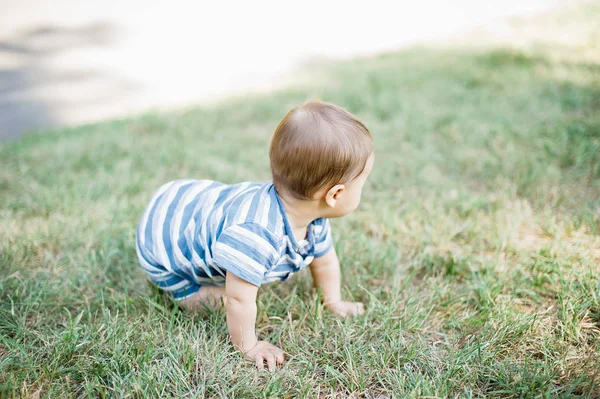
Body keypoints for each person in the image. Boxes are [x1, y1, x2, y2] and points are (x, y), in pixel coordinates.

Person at [135, 101, 375, 371]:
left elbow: (325, 261)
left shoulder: (313, 219)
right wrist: (248, 346)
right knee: (218, 302)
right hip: (163, 241)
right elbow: (239, 299)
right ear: (335, 195)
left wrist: (333, 302)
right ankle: (186, 288)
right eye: (362, 184)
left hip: (190, 202)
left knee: (234, 283)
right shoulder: (257, 234)